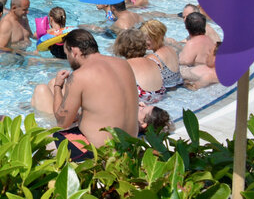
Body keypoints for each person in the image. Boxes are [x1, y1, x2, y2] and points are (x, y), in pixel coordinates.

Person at [31, 29, 138, 161]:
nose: (68, 60)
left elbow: (62, 122)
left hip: (101, 151)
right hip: (132, 144)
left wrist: (57, 86)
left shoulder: (79, 75)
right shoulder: (123, 64)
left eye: (67, 54)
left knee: (40, 142)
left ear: (74, 51)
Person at [114, 29, 166, 104]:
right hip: (159, 97)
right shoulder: (155, 62)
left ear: (121, 47)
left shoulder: (124, 66)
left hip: (140, 102)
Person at [139, 20, 182, 88]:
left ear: (157, 38)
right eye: (142, 39)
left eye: (148, 39)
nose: (144, 42)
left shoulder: (153, 58)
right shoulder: (171, 49)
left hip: (166, 91)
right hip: (177, 85)